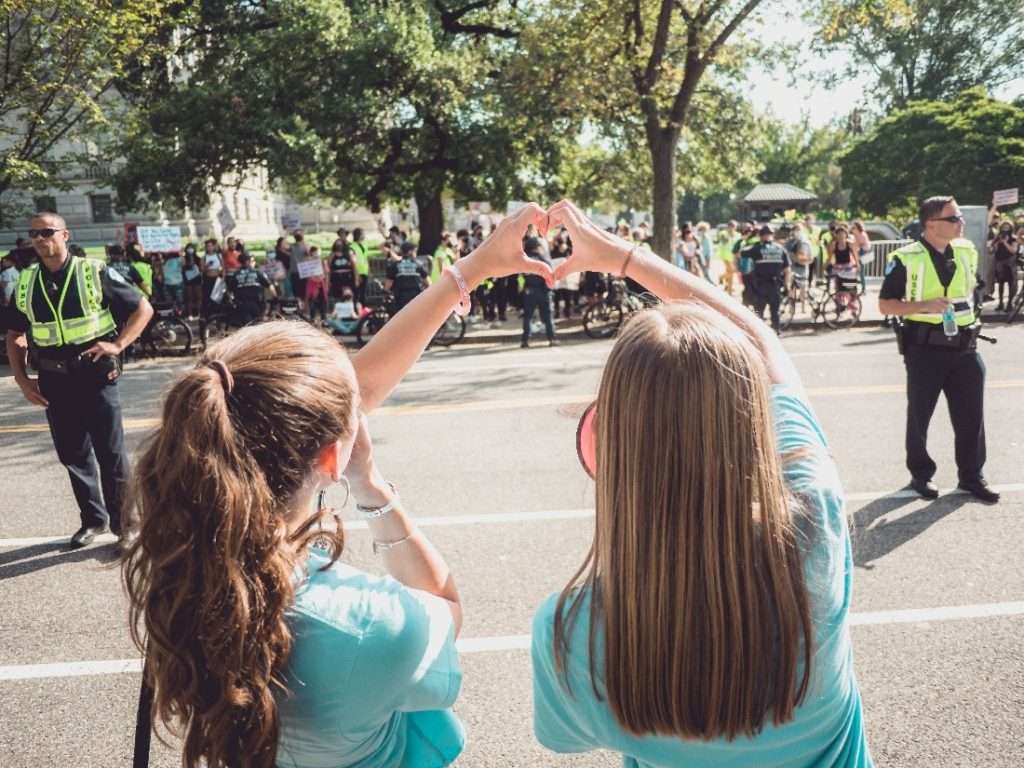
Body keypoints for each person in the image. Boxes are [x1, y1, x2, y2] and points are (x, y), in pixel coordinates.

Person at [123, 204, 555, 768]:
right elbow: (446, 609)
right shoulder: (370, 624)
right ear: (332, 454)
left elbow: (346, 396)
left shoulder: (183, 564)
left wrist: (466, 273)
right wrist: (372, 486)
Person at [533, 198, 872, 768]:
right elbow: (762, 341)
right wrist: (626, 257)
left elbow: (566, 737)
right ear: (750, 425)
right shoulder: (818, 527)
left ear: (617, 451)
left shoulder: (569, 631)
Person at [5, 212, 153, 549]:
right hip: (54, 380)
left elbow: (142, 308)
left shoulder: (93, 271)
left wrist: (118, 344)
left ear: (65, 235)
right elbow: (14, 334)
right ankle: (93, 521)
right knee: (73, 454)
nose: (41, 239)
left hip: (96, 375)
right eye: (34, 234)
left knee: (111, 453)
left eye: (47, 232)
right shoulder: (26, 282)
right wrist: (23, 381)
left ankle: (124, 525)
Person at [878, 196, 998, 503]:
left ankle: (972, 476)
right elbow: (884, 305)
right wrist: (924, 305)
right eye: (953, 218)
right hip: (925, 350)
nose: (961, 223)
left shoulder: (965, 252)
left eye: (959, 217)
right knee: (920, 416)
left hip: (965, 346)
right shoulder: (906, 258)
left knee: (971, 416)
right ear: (931, 224)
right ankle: (921, 475)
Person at [747, 223, 792, 333]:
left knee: (759, 311)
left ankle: (759, 332)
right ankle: (775, 330)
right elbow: (788, 270)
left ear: (761, 236)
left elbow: (738, 254)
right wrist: (787, 286)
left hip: (760, 284)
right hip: (775, 284)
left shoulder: (756, 248)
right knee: (774, 310)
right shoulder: (780, 249)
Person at [521, 236, 556, 348]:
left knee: (528, 317)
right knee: (547, 316)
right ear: (537, 247)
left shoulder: (525, 260)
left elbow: (521, 276)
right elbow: (551, 275)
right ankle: (551, 339)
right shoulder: (543, 259)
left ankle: (525, 340)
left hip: (529, 291)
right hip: (543, 291)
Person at [227, 251, 275, 326]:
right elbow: (270, 286)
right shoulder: (258, 272)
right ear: (247, 262)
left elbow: (229, 291)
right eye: (253, 261)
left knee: (247, 324)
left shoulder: (235, 275)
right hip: (257, 304)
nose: (254, 262)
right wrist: (275, 297)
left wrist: (232, 301)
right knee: (258, 323)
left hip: (241, 305)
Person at [385, 241, 429, 314]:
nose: (415, 254)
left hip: (400, 296)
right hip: (416, 296)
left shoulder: (395, 265)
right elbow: (428, 281)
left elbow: (388, 283)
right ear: (410, 252)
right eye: (415, 251)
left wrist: (386, 292)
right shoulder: (418, 264)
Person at [990, 221, 1018, 311]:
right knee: (1000, 284)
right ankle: (1001, 303)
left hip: (1010, 263)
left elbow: (1013, 250)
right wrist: (996, 244)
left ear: (1011, 228)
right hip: (999, 262)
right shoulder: (998, 237)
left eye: (1007, 227)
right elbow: (992, 249)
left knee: (1011, 283)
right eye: (1003, 227)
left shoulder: (1013, 238)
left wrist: (1005, 242)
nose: (1005, 229)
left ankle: (1010, 303)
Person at [351, 227, 371, 308]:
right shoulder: (352, 246)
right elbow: (353, 261)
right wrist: (357, 275)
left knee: (363, 292)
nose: (364, 235)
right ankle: (356, 309)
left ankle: (363, 308)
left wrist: (369, 270)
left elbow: (366, 257)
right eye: (363, 234)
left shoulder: (365, 244)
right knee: (357, 293)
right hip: (357, 272)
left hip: (364, 271)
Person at [182, 244, 203, 319]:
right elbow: (183, 266)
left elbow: (201, 268)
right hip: (188, 279)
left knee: (198, 296)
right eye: (188, 248)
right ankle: (190, 314)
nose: (190, 250)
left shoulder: (198, 258)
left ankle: (199, 312)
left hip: (197, 278)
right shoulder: (184, 258)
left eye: (191, 248)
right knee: (189, 297)